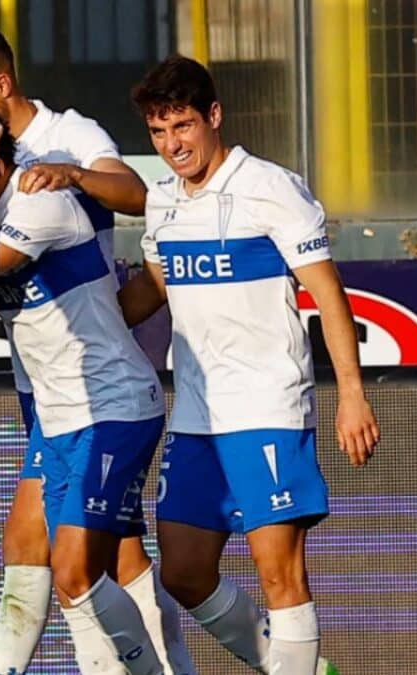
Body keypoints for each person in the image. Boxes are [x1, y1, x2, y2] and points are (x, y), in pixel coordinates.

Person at [118, 56, 380, 675]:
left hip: (267, 406)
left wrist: (351, 394)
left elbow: (328, 294)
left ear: (214, 116)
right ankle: (302, 668)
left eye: (182, 126)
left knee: (278, 572)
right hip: (196, 415)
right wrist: (74, 318)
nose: (172, 144)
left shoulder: (271, 187)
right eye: (158, 132)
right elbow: (155, 286)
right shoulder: (162, 202)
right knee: (183, 572)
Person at [0, 24, 167, 675]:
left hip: (99, 383)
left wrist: (75, 174)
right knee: (47, 551)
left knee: (93, 562)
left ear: (0, 86)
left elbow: (139, 196)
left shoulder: (62, 145)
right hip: (47, 388)